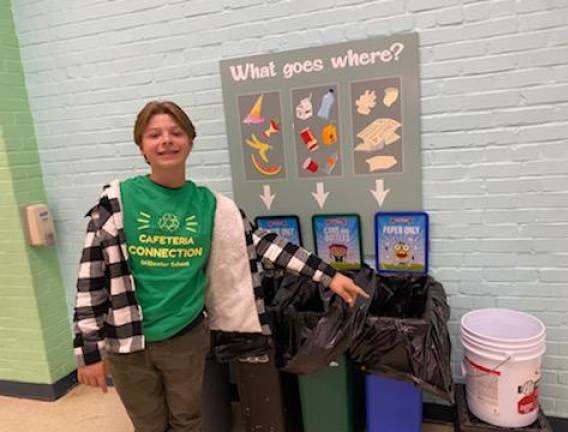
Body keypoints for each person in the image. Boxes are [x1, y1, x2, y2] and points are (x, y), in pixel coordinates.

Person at [73, 100, 368, 432]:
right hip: (128, 344)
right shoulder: (117, 203)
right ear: (141, 145)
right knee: (149, 426)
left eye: (176, 132)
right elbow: (90, 280)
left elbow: (262, 242)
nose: (166, 140)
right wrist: (89, 352)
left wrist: (328, 275)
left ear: (190, 141)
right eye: (154, 134)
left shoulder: (212, 206)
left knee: (187, 421)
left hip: (184, 338)